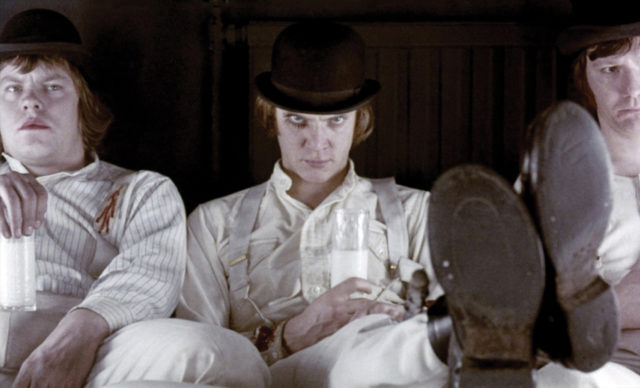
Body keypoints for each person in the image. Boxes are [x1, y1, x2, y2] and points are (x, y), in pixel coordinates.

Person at [177, 21, 640, 387]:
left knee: (403, 347)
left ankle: (501, 334)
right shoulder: (216, 222)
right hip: (290, 374)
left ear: (360, 122)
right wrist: (293, 333)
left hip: (403, 369)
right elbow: (200, 355)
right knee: (355, 360)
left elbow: (442, 300)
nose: (316, 141)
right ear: (270, 119)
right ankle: (516, 333)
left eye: (335, 121)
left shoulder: (418, 210)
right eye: (297, 120)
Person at [0, 8, 269, 388]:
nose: (30, 101)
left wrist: (74, 337)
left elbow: (150, 273)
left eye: (52, 86)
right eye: (12, 88)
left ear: (83, 103)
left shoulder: (141, 190)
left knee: (223, 353)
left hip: (99, 344)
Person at [555, 0, 640, 377]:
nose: (632, 89)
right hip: (600, 370)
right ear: (585, 79)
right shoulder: (553, 185)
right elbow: (528, 320)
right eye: (610, 69)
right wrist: (621, 303)